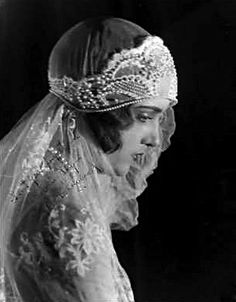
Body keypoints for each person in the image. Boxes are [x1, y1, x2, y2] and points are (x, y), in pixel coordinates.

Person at [0, 17, 177, 302]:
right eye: (144, 117)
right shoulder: (69, 210)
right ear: (102, 114)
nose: (155, 138)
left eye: (160, 117)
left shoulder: (46, 183)